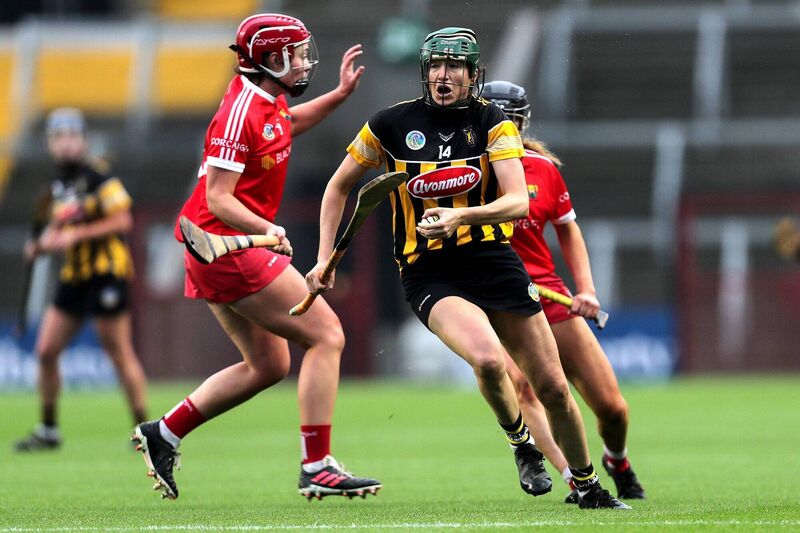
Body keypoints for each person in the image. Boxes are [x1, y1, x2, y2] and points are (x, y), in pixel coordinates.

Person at [306, 27, 629, 509]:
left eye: (454, 66)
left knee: (555, 389)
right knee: (488, 359)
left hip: (494, 262)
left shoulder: (493, 123)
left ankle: (587, 485)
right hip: (428, 271)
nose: (443, 75)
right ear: (424, 71)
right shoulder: (388, 125)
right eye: (435, 65)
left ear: (473, 74)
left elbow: (518, 202)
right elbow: (338, 189)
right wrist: (323, 258)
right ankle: (522, 444)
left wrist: (462, 215)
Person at [131, 13, 380, 501]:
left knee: (267, 365)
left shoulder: (268, 101)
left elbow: (287, 126)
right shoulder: (242, 109)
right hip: (225, 245)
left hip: (220, 246)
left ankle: (164, 433)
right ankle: (317, 465)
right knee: (327, 335)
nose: (307, 61)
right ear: (272, 59)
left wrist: (339, 96)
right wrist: (268, 229)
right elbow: (220, 196)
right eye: (300, 54)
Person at [482, 80, 647, 503]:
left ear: (522, 123)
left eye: (511, 121)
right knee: (524, 388)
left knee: (612, 409)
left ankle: (618, 459)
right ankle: (576, 479)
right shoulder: (463, 171)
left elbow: (568, 231)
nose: (505, 129)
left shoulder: (543, 170)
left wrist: (586, 289)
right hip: (492, 300)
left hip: (550, 298)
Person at [15, 107, 149, 451]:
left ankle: (145, 430)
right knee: (46, 351)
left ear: (84, 141)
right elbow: (59, 229)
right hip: (74, 275)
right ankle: (48, 429)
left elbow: (123, 221)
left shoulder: (99, 177)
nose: (65, 145)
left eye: (72, 137)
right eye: (58, 138)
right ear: (49, 144)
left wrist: (78, 236)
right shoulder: (59, 186)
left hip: (107, 272)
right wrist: (42, 246)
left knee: (118, 352)